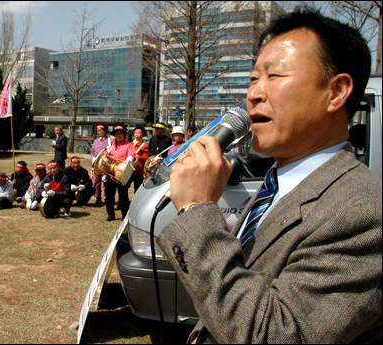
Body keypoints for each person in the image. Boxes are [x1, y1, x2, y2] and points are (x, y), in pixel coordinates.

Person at [156, 7, 381, 344]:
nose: (253, 94)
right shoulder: (276, 185)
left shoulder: (362, 212)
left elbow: (274, 335)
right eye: (252, 79)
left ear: (336, 92)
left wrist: (196, 211)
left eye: (274, 77)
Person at [105, 125, 137, 221]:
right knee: (109, 195)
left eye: (120, 133)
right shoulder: (110, 146)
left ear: (124, 135)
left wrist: (131, 157)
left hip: (122, 174)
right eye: (116, 134)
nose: (118, 135)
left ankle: (124, 215)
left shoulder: (129, 145)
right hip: (111, 174)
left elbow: (133, 155)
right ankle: (110, 214)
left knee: (123, 195)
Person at [90, 124, 112, 205]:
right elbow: (92, 152)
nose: (99, 132)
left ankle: (106, 197)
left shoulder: (110, 140)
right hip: (97, 164)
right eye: (98, 131)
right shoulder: (96, 141)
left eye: (101, 130)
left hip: (106, 164)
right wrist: (93, 158)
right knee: (96, 181)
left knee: (106, 181)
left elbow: (112, 151)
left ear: (104, 130)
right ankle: (97, 197)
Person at [127, 124, 149, 192]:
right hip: (129, 169)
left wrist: (138, 157)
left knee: (137, 189)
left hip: (138, 170)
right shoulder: (130, 144)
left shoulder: (144, 145)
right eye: (135, 133)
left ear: (142, 135)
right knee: (125, 186)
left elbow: (146, 157)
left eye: (139, 133)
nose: (137, 135)